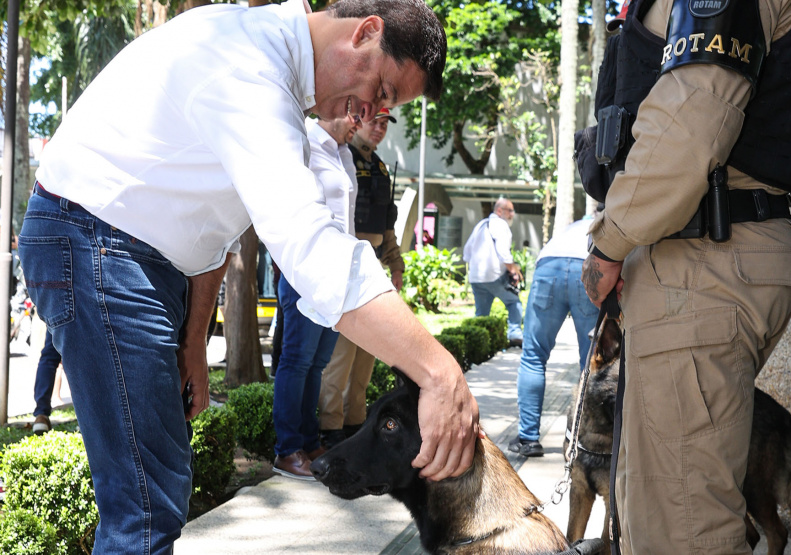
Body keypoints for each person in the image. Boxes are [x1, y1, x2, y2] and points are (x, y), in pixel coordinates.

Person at [17, 1, 479, 552]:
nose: (367, 113)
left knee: (157, 488)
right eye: (381, 89)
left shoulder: (276, 82)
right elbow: (310, 247)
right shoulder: (250, 67)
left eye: (386, 106)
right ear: (366, 31)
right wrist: (437, 371)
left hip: (133, 254)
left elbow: (212, 224)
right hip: (94, 242)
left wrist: (194, 341)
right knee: (145, 504)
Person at [579, 0, 791, 553]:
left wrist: (611, 241)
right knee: (661, 505)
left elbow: (689, 125)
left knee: (679, 527)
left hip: (703, 258)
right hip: (702, 254)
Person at [273, 113, 361, 480]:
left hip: (338, 270)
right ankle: (287, 449)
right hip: (305, 268)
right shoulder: (304, 141)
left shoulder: (345, 153)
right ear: (336, 108)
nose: (362, 121)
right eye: (358, 112)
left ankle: (308, 442)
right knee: (296, 360)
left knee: (317, 363)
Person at [318, 106, 403, 447]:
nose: (380, 129)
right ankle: (330, 428)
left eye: (385, 124)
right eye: (374, 122)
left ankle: (354, 424)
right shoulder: (341, 157)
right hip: (346, 264)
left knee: (365, 356)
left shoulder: (380, 167)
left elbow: (388, 226)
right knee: (340, 357)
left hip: (373, 267)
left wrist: (396, 264)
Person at [510, 216, 599, 457]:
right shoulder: (608, 219)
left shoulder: (572, 227)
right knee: (591, 362)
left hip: (549, 264)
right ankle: (584, 441)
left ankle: (528, 439)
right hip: (589, 264)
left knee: (533, 357)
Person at [463, 197, 524, 347]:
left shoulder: (480, 225)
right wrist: (513, 271)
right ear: (499, 210)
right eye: (509, 210)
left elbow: (467, 252)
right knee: (513, 302)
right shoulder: (501, 225)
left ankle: (478, 345)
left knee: (481, 315)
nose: (512, 214)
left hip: (476, 277)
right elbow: (503, 251)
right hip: (494, 275)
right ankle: (515, 333)